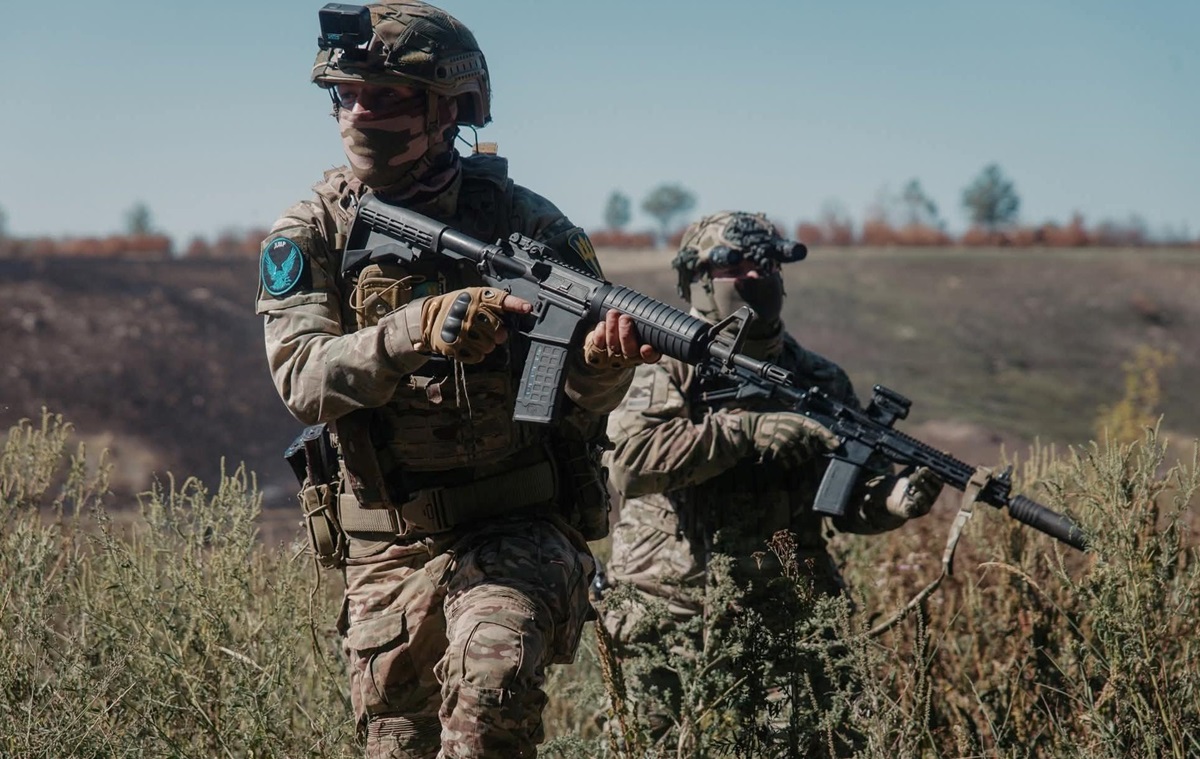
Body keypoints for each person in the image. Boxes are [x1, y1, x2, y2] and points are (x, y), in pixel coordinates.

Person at [256, 3, 657, 756]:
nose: (359, 115)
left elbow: (579, 397)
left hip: (519, 529)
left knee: (489, 687)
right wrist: (414, 330)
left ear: (450, 111)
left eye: (388, 98)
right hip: (388, 553)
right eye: (347, 96)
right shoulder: (311, 231)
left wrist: (603, 365)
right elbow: (304, 380)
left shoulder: (531, 226)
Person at [601, 211, 943, 740]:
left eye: (767, 263)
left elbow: (846, 497)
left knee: (823, 743)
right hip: (670, 608)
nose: (756, 276)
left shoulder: (818, 377)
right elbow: (632, 465)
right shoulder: (660, 363)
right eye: (735, 264)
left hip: (788, 611)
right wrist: (746, 432)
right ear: (697, 278)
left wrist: (893, 500)